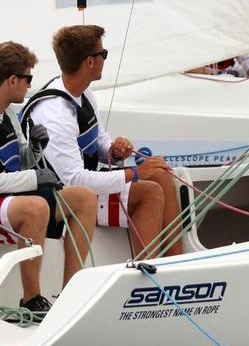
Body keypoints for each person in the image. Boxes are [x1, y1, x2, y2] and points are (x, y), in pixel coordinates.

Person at [0, 41, 98, 317]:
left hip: (1, 198)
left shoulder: (8, 112)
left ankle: (70, 292)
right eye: (27, 79)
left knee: (84, 197)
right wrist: (32, 178)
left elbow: (16, 161)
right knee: (35, 207)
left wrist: (32, 150)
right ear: (12, 80)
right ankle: (31, 299)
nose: (29, 86)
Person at [22, 25, 183, 258]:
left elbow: (99, 141)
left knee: (160, 172)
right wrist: (135, 174)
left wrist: (114, 151)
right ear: (90, 62)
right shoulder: (55, 114)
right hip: (62, 197)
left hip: (81, 184)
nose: (105, 59)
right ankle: (148, 275)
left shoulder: (83, 95)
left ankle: (177, 264)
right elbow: (74, 180)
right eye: (103, 54)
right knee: (149, 192)